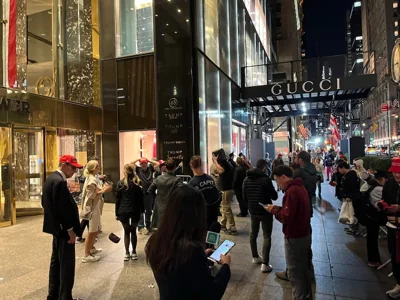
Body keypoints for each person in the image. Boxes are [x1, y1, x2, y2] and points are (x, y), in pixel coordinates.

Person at [145, 185, 231, 299]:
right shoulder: (191, 251)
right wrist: (226, 266)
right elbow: (211, 293)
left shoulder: (155, 240)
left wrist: (201, 258)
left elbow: (176, 273)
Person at [266, 165, 312, 300]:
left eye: (277, 180)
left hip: (295, 236)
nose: (277, 184)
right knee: (303, 270)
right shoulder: (300, 187)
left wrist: (274, 210)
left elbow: (287, 217)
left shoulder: (291, 192)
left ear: (284, 177)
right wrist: (278, 208)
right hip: (304, 233)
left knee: (295, 272)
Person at [42, 155, 83, 300]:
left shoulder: (50, 179)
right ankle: (65, 296)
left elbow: (46, 204)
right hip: (64, 231)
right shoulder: (59, 182)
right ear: (64, 165)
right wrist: (70, 230)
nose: (74, 171)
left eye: (75, 169)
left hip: (56, 229)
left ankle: (53, 294)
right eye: (72, 168)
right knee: (66, 265)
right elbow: (62, 210)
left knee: (56, 262)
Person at [243, 159, 278, 273]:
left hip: (253, 210)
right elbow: (274, 196)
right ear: (263, 167)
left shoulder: (246, 179)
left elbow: (244, 196)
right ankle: (265, 264)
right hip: (265, 210)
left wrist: (250, 205)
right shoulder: (265, 180)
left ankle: (255, 257)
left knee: (253, 233)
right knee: (267, 236)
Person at [81, 160, 112, 263]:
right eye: (97, 166)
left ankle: (91, 248)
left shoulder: (94, 178)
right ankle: (86, 254)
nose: (99, 167)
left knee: (96, 229)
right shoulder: (92, 180)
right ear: (93, 168)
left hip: (96, 206)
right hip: (92, 208)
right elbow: (90, 197)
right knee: (92, 231)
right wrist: (104, 190)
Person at [116, 164, 144, 261]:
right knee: (133, 231)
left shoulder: (120, 183)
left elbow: (118, 199)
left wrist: (116, 213)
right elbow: (141, 199)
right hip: (135, 210)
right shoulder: (138, 183)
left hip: (123, 210)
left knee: (126, 232)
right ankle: (134, 252)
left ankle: (127, 253)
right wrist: (142, 210)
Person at [360, 171, 388, 267]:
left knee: (371, 238)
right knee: (372, 238)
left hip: (368, 214)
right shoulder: (379, 189)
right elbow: (379, 205)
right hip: (373, 216)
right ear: (383, 178)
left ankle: (373, 259)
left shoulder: (369, 184)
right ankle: (373, 260)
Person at [382, 158, 400, 298]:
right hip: (392, 225)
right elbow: (385, 199)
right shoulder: (389, 184)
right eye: (395, 172)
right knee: (394, 256)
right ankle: (399, 284)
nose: (397, 175)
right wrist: (382, 205)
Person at [149, 158, 182, 229]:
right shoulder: (177, 180)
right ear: (175, 167)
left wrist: (156, 198)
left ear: (165, 168)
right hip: (173, 208)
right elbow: (182, 192)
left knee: (161, 230)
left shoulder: (159, 179)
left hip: (160, 207)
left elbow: (150, 190)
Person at [188, 156, 221, 229]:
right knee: (212, 234)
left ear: (191, 166)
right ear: (202, 165)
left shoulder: (192, 183)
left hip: (200, 215)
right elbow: (216, 196)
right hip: (213, 213)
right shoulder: (210, 179)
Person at [131, 157, 159, 234]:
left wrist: (148, 160)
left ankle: (148, 225)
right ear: (140, 164)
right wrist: (138, 159)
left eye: (145, 163)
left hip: (149, 193)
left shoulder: (150, 168)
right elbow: (131, 164)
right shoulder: (138, 169)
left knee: (149, 210)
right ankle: (141, 227)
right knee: (141, 210)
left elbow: (157, 164)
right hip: (140, 192)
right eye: (142, 163)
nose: (144, 165)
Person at [212, 151, 237, 235]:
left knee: (226, 209)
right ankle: (223, 224)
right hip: (227, 189)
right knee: (224, 208)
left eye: (214, 156)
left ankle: (232, 227)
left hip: (226, 189)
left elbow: (221, 170)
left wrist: (215, 161)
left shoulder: (224, 164)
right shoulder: (227, 163)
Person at [338, 162, 361, 235]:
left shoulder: (351, 175)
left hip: (351, 197)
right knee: (349, 212)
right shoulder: (347, 175)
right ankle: (351, 227)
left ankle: (354, 228)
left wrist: (349, 196)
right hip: (348, 196)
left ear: (343, 168)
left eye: (339, 169)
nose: (339, 171)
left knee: (351, 212)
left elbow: (353, 187)